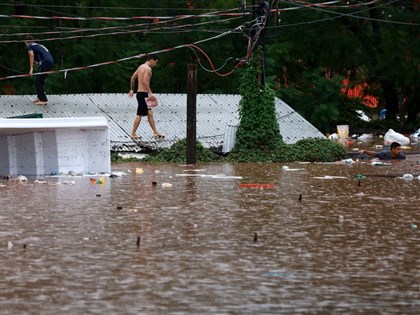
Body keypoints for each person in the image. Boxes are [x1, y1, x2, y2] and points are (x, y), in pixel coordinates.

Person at [128, 54, 164, 139]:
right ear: (151, 60)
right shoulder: (148, 69)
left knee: (149, 113)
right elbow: (144, 81)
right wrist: (150, 93)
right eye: (155, 62)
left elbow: (133, 78)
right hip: (143, 94)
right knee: (139, 114)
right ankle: (133, 133)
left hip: (139, 94)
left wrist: (132, 89)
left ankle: (155, 131)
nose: (155, 64)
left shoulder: (141, 67)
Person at [24, 35, 54, 105]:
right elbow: (40, 56)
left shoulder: (30, 46)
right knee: (40, 79)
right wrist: (38, 63)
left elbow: (31, 55)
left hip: (46, 62)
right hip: (49, 61)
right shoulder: (38, 45)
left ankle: (43, 100)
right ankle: (40, 97)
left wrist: (31, 68)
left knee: (38, 81)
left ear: (26, 42)